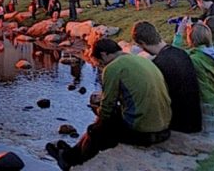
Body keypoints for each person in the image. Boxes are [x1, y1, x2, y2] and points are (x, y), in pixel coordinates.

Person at [45, 38, 171, 170]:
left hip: (143, 132)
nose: (101, 66)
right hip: (164, 127)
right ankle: (73, 152)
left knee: (96, 130)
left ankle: (71, 160)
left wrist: (98, 115)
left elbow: (106, 108)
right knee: (109, 120)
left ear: (104, 54)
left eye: (100, 62)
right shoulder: (141, 60)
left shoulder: (113, 68)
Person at [133, 21, 202, 134]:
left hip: (177, 123)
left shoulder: (158, 64)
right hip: (194, 120)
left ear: (142, 43)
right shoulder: (181, 53)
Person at [173, 20, 214, 111]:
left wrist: (179, 32)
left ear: (191, 38)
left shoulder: (195, 59)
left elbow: (174, 55)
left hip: (202, 102)